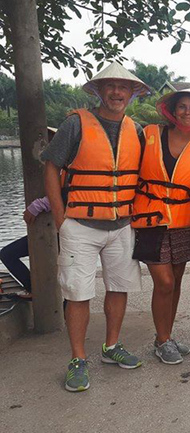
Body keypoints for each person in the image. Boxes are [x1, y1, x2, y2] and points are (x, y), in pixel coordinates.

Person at [42, 62, 149, 392]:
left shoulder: (138, 130)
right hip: (80, 226)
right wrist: (60, 219)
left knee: (119, 287)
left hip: (121, 225)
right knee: (78, 293)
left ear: (131, 93)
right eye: (110, 87)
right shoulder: (75, 124)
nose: (117, 92)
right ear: (99, 91)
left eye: (124, 87)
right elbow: (51, 166)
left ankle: (111, 346)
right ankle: (77, 358)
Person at [131, 89, 190, 364]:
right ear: (172, 110)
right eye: (182, 106)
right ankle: (162, 340)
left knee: (176, 281)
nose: (188, 112)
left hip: (184, 220)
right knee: (165, 282)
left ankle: (166, 336)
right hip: (150, 219)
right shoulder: (149, 135)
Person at [0, 128, 58, 300]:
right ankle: (33, 288)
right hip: (48, 229)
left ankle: (54, 303)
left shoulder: (66, 164)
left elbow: (67, 193)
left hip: (62, 230)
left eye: (51, 138)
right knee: (8, 253)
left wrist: (39, 205)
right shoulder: (48, 164)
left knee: (8, 254)